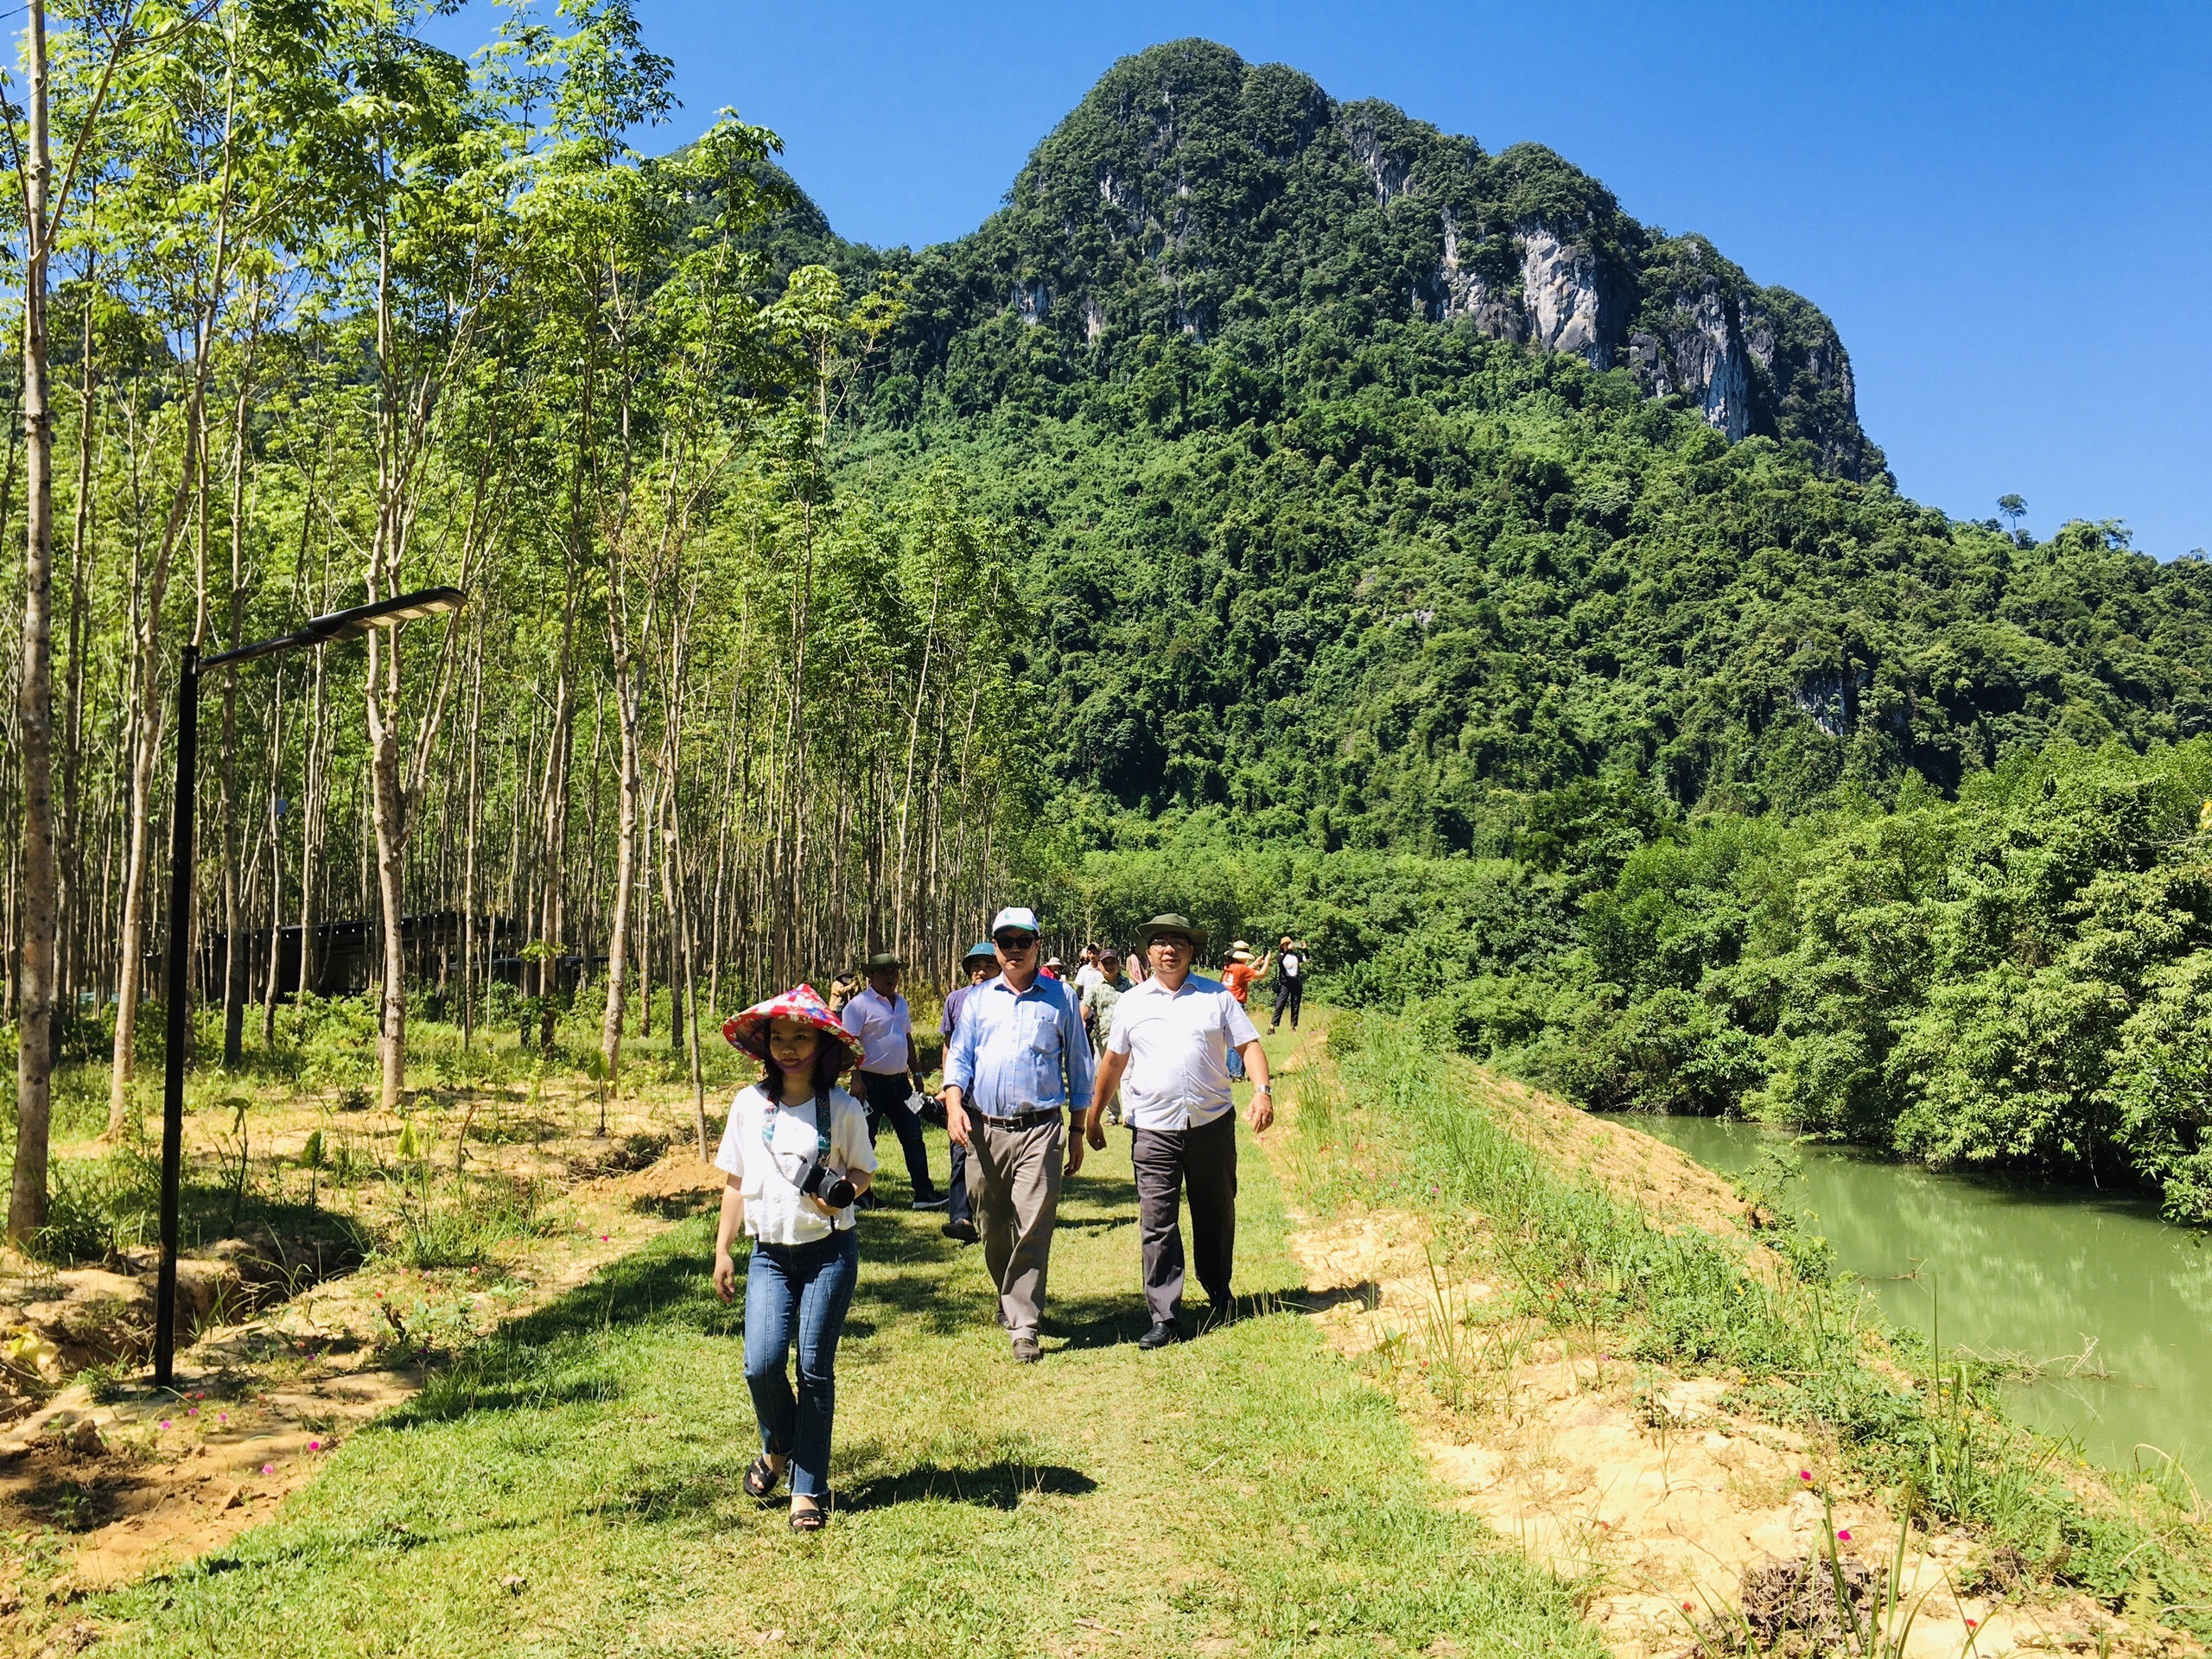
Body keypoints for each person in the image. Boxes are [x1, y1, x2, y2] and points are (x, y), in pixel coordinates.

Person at [711, 984, 878, 1531]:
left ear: (821, 1043)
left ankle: (807, 1488)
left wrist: (843, 1192)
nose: (787, 1047)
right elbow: (736, 1180)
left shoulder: (845, 1108)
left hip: (829, 1254)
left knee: (813, 1369)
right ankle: (778, 1444)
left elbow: (863, 1173)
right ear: (764, 1046)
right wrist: (724, 1249)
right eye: (777, 1037)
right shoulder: (747, 1104)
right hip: (769, 1256)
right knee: (760, 1364)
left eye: (799, 1036)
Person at [1083, 914, 1273, 1350]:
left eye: (1178, 943)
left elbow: (1249, 1047)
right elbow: (1113, 1063)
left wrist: (1262, 1092)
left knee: (1217, 1211)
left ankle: (1218, 1289)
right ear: (1148, 953)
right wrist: (1094, 1116)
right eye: (1161, 943)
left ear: (1192, 952)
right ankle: (1165, 1315)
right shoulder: (1132, 1003)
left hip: (1210, 1124)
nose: (1169, 949)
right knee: (1157, 1220)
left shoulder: (1216, 997)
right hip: (1153, 1127)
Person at [941, 906, 1096, 1363]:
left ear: (1037, 946)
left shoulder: (1061, 997)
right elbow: (960, 1059)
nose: (1013, 949)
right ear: (995, 947)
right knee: (990, 1224)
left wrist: (1078, 1128)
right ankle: (1010, 1295)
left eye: (1022, 941)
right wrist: (953, 1105)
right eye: (1004, 942)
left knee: (1033, 1224)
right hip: (984, 1131)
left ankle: (1024, 1324)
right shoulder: (978, 1000)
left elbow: (1080, 1066)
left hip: (1040, 1130)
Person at [841, 952, 944, 1211]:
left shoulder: (901, 1003)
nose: (891, 976)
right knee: (866, 1139)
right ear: (871, 976)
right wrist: (856, 1079)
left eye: (895, 972)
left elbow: (906, 1038)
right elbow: (849, 1044)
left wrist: (917, 1072)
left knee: (913, 1135)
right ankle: (861, 1195)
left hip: (901, 1085)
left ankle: (924, 1194)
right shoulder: (858, 1006)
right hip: (870, 1084)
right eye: (885, 972)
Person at [937, 940, 998, 1244]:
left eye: (988, 966)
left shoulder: (1006, 1000)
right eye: (976, 967)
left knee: (995, 1154)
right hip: (962, 1090)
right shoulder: (956, 1000)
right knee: (960, 1151)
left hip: (995, 1093)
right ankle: (960, 1216)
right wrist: (947, 1085)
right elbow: (948, 1043)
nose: (981, 972)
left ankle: (995, 1214)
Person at [1081, 949, 1133, 1123]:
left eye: (1113, 962)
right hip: (1103, 1039)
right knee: (1103, 1075)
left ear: (1118, 964)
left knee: (1127, 1076)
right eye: (1106, 963)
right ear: (1100, 965)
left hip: (1127, 1039)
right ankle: (1113, 1113)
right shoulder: (1095, 987)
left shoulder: (1129, 985)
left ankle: (1129, 1114)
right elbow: (1085, 1009)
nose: (1110, 966)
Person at [1218, 944, 1271, 1079]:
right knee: (1240, 1039)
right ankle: (1236, 1073)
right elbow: (1261, 974)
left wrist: (1255, 963)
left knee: (1231, 1040)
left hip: (1225, 1004)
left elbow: (1245, 971)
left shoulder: (1230, 967)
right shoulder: (1241, 968)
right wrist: (1267, 962)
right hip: (1236, 1004)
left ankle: (1230, 1071)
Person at [1270, 936, 1307, 1033]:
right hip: (1285, 984)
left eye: (1289, 944)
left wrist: (1305, 950)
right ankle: (1272, 1026)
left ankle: (1293, 1026)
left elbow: (1306, 959)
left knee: (1295, 1005)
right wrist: (1287, 951)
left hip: (1296, 982)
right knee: (1280, 1004)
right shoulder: (1280, 955)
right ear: (1282, 946)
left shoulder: (1296, 955)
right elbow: (1280, 961)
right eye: (1286, 944)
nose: (1288, 946)